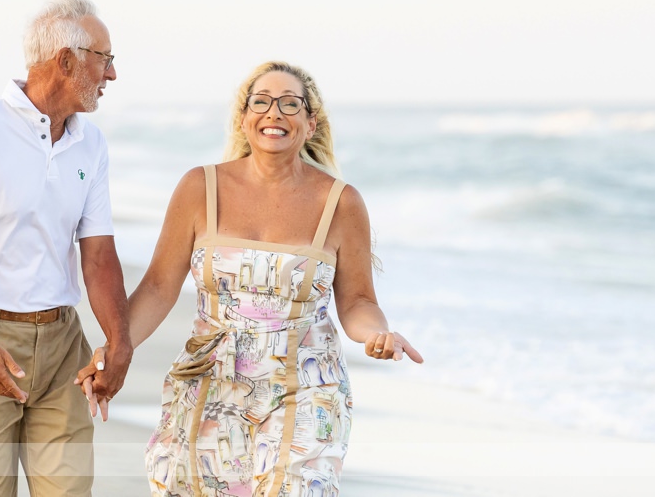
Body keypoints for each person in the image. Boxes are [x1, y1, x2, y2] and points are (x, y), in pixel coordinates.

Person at [77, 60, 422, 496]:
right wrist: (113, 350)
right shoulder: (200, 188)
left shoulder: (341, 202)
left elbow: (357, 302)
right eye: (261, 101)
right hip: (210, 384)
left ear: (311, 123)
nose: (274, 113)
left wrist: (378, 334)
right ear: (244, 118)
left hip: (306, 387)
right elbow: (160, 287)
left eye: (290, 104)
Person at [0, 0, 132, 497]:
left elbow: (98, 254)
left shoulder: (91, 143)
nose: (112, 75)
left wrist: (119, 341)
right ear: (66, 61)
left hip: (63, 347)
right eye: (105, 59)